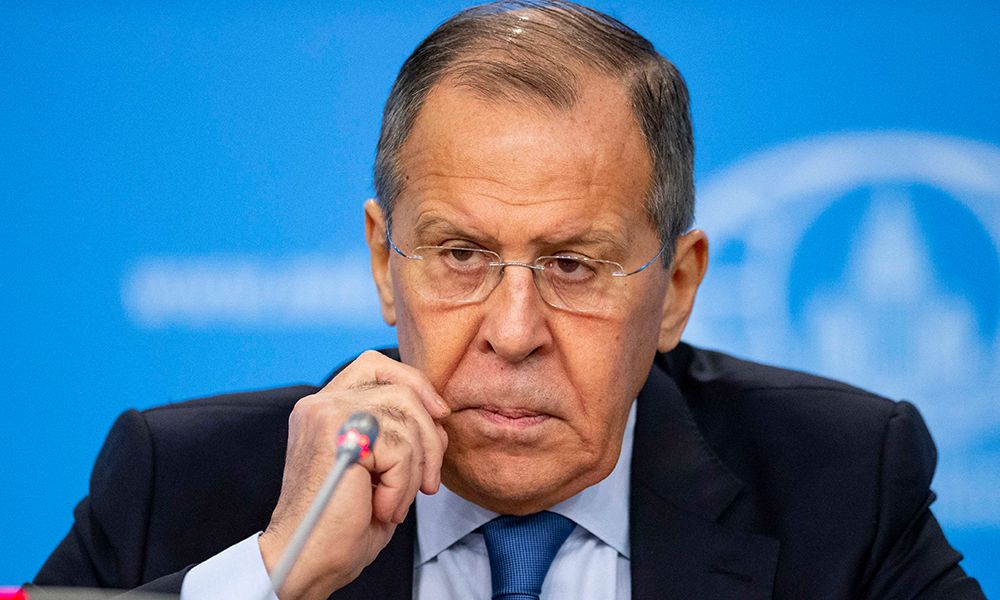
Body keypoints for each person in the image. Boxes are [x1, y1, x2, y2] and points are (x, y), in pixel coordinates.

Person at [34, 1, 984, 598]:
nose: (515, 332)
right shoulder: (181, 486)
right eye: (460, 255)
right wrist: (271, 577)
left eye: (573, 265)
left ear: (676, 289)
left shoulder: (842, 483)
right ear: (384, 263)